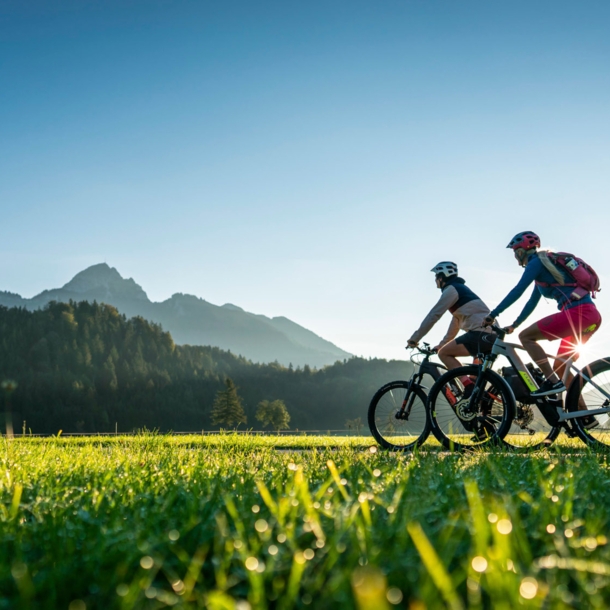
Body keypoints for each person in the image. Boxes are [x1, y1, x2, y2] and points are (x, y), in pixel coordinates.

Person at [484, 231, 602, 398]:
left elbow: (518, 291)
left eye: (515, 251)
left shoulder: (536, 263)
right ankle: (584, 419)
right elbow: (531, 303)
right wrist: (514, 325)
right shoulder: (545, 265)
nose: (515, 256)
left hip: (578, 315)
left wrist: (493, 314)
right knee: (561, 368)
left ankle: (552, 383)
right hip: (591, 316)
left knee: (526, 337)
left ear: (520, 251)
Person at [407, 262, 496, 371]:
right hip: (492, 336)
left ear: (442, 277)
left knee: (443, 354)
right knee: (477, 381)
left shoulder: (451, 289)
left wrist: (415, 338)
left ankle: (467, 386)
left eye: (436, 276)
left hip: (479, 335)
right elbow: (455, 324)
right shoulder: (461, 290)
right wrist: (442, 344)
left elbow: (434, 315)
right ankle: (471, 385)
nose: (435, 280)